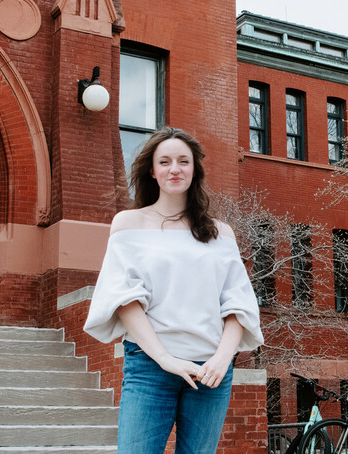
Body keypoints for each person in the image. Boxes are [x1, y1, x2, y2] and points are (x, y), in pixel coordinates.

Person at [84, 127, 263, 454]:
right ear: (152, 170)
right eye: (164, 161)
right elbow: (125, 299)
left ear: (194, 169)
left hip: (210, 372)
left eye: (183, 161)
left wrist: (223, 359)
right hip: (150, 366)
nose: (174, 169)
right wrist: (165, 358)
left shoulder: (220, 233)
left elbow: (237, 303)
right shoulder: (129, 224)